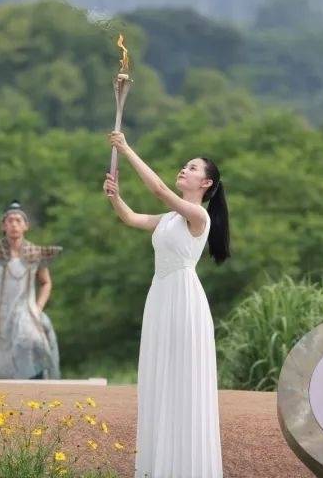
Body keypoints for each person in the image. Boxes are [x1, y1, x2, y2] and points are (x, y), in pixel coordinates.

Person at [104, 131, 230, 478]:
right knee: (160, 378)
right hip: (160, 296)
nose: (184, 169)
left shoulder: (198, 216)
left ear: (205, 183)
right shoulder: (170, 218)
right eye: (185, 166)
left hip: (184, 301)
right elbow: (132, 218)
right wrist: (116, 197)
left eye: (192, 168)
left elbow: (159, 190)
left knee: (183, 382)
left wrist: (126, 148)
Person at [0, 201, 61, 380]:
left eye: (18, 221)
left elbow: (46, 282)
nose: (14, 225)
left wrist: (38, 307)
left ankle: (36, 380)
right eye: (10, 221)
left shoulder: (35, 253)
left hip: (24, 309)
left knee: (36, 338)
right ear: (3, 226)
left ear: (26, 226)